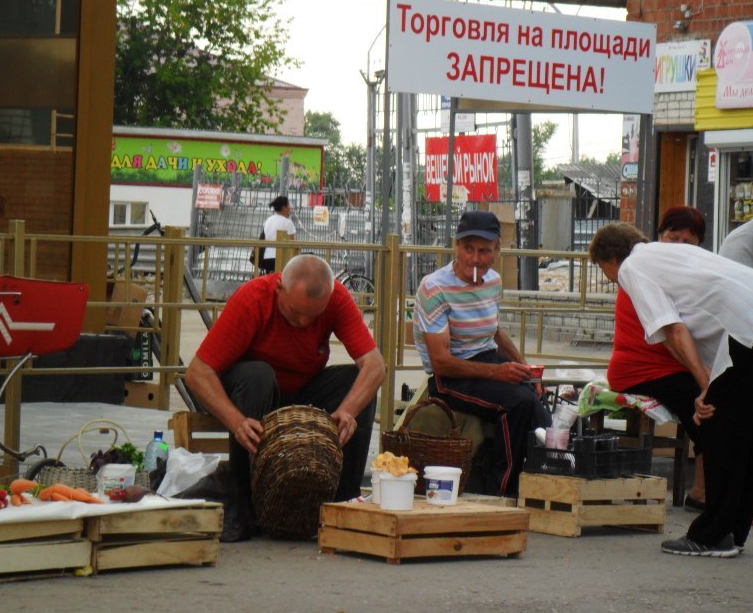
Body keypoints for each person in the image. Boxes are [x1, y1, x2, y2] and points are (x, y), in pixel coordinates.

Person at [589, 222, 753, 558]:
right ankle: (734, 531)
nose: (611, 280)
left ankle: (711, 535)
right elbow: (677, 331)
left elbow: (673, 329)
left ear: (612, 258)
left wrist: (707, 387)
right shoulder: (668, 252)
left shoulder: (633, 267)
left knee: (720, 424)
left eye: (606, 272)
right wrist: (708, 380)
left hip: (751, 321)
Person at [186, 254, 385, 542]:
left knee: (356, 381)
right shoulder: (253, 298)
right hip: (253, 392)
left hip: (301, 388)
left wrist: (348, 411)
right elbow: (197, 373)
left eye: (312, 316)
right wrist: (237, 421)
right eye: (295, 313)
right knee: (259, 376)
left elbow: (375, 366)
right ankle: (242, 504)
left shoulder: (337, 298)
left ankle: (342, 504)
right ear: (280, 289)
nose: (304, 323)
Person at [414, 210, 551, 497]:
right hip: (450, 376)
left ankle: (545, 483)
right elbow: (441, 363)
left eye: (485, 251)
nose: (475, 259)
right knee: (517, 403)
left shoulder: (494, 281)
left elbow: (494, 331)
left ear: (498, 251)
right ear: (456, 247)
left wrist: (525, 368)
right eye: (468, 249)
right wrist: (499, 373)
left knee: (536, 400)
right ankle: (502, 489)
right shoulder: (434, 287)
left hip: (486, 359)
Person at [606, 206, 708, 512]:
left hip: (666, 364)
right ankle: (702, 493)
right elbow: (672, 336)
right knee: (707, 408)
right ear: (659, 237)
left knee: (714, 399)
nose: (677, 246)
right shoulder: (644, 271)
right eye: (671, 237)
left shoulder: (684, 274)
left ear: (699, 246)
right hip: (641, 369)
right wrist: (706, 381)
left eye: (687, 242)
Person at [257, 195, 297, 275]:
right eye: (288, 205)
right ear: (284, 207)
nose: (290, 207)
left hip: (267, 258)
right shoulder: (288, 223)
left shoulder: (268, 221)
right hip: (281, 259)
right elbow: (294, 245)